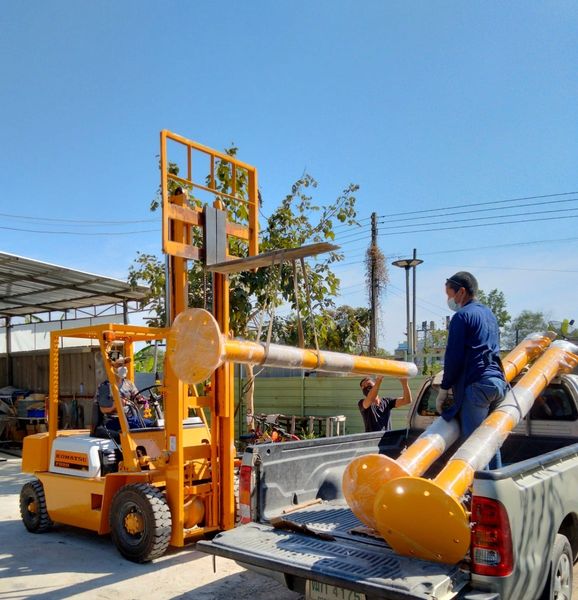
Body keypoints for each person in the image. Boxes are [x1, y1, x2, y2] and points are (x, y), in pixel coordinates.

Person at [435, 271, 507, 467]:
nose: (449, 300)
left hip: (477, 385)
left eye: (449, 294)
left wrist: (444, 388)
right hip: (498, 383)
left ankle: (480, 486)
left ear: (461, 292)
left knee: (473, 448)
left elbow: (453, 357)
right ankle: (494, 483)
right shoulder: (490, 315)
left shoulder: (462, 316)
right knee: (489, 442)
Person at [95, 352, 155, 433]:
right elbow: (103, 409)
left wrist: (143, 400)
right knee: (146, 425)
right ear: (112, 367)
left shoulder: (129, 384)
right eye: (119, 365)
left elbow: (137, 397)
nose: (123, 367)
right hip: (113, 420)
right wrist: (116, 405)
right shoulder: (105, 386)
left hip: (129, 418)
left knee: (152, 424)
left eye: (124, 365)